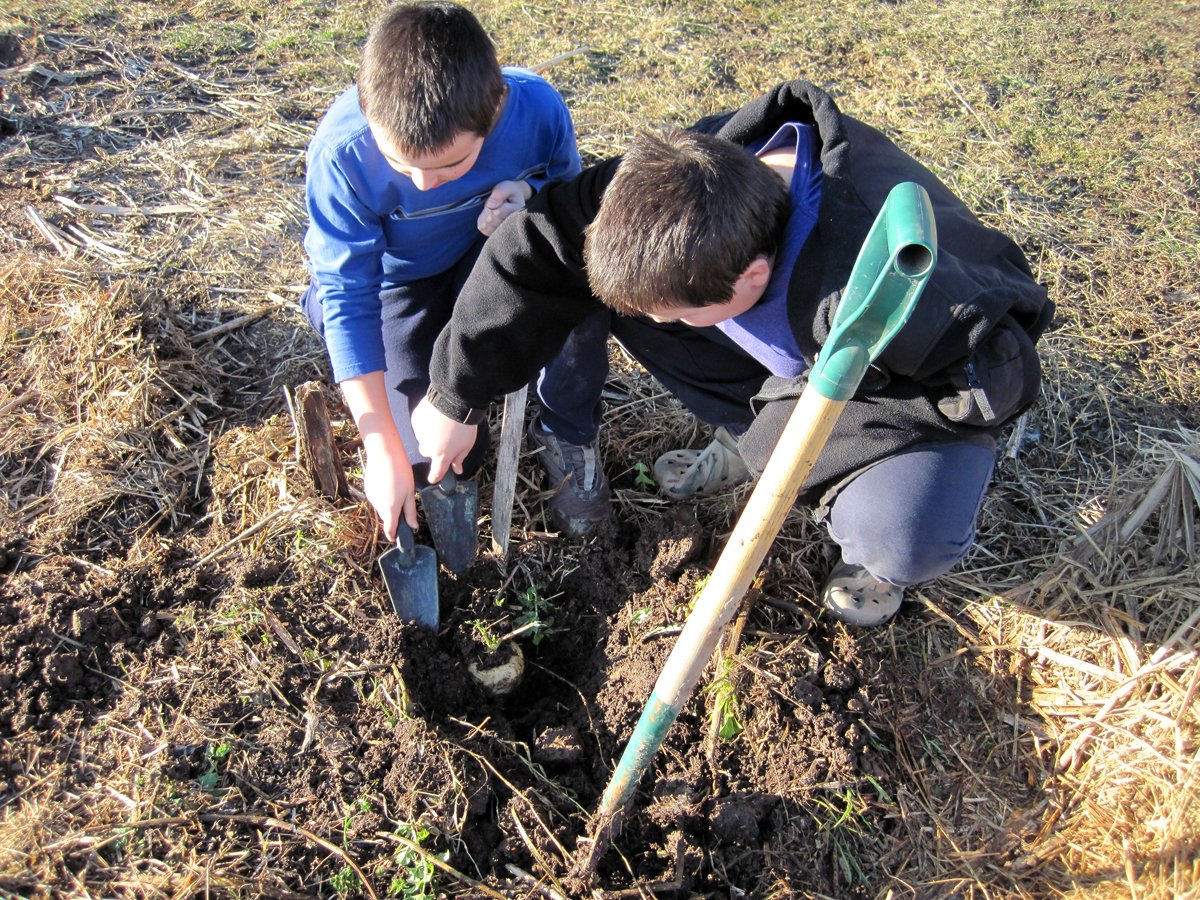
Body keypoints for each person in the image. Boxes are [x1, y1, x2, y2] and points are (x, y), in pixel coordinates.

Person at [412, 79, 1053, 627]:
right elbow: (539, 237)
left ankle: (877, 560)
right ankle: (747, 428)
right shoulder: (687, 180)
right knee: (633, 301)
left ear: (750, 279)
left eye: (682, 313)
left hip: (915, 383)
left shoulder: (909, 303)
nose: (661, 326)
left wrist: (782, 439)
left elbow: (996, 381)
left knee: (902, 531)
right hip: (794, 345)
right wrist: (454, 393)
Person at [300, 1, 609, 546]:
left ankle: (568, 428)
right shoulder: (342, 154)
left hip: (486, 252)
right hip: (398, 283)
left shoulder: (536, 110)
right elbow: (349, 296)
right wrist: (380, 447)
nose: (423, 185)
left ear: (492, 112)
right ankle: (441, 473)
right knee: (423, 448)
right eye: (401, 165)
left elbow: (569, 199)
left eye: (450, 166)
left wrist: (531, 198)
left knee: (577, 289)